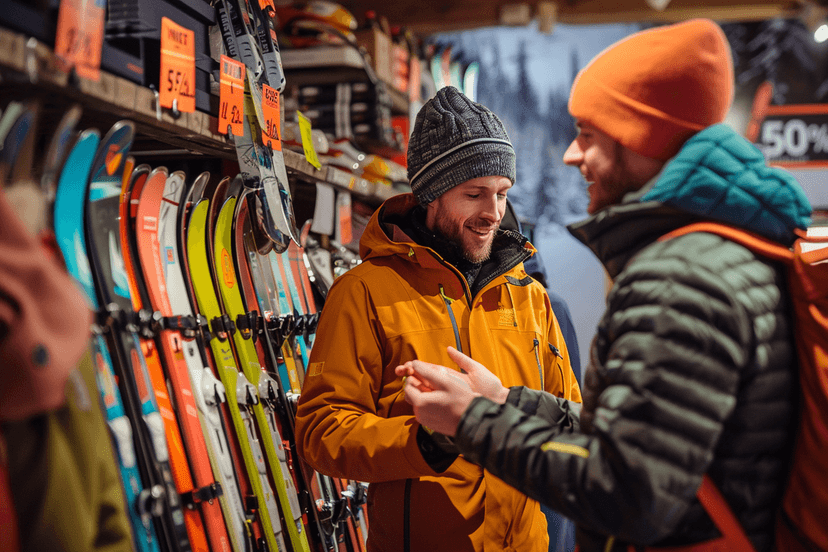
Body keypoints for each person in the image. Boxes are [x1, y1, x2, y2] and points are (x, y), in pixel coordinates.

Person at [396, 19, 812, 552]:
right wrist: (504, 401)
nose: (572, 155)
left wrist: (472, 421)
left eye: (589, 136)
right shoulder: (724, 252)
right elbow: (636, 438)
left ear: (641, 139)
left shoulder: (679, 278)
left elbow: (627, 492)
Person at [295, 86, 582, 552]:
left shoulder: (531, 299)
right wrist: (425, 440)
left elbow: (571, 427)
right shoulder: (365, 292)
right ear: (431, 194)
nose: (493, 213)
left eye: (502, 194)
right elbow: (320, 431)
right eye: (474, 194)